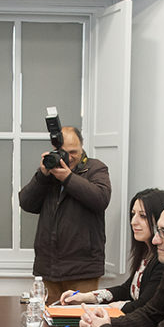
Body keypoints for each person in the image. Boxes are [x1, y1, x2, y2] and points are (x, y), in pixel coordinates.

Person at [18, 126, 111, 300]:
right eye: (63, 152)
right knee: (48, 321)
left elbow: (100, 199)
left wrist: (68, 178)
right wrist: (42, 176)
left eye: (73, 151)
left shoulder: (95, 168)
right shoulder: (49, 173)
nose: (69, 157)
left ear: (82, 147)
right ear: (55, 151)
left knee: (80, 322)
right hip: (48, 269)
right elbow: (26, 203)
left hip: (83, 269)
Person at [59, 188, 164, 313]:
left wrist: (114, 308)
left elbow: (144, 305)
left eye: (142, 216)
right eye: (133, 214)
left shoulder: (163, 261)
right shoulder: (146, 254)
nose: (133, 222)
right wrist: (86, 297)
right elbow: (126, 290)